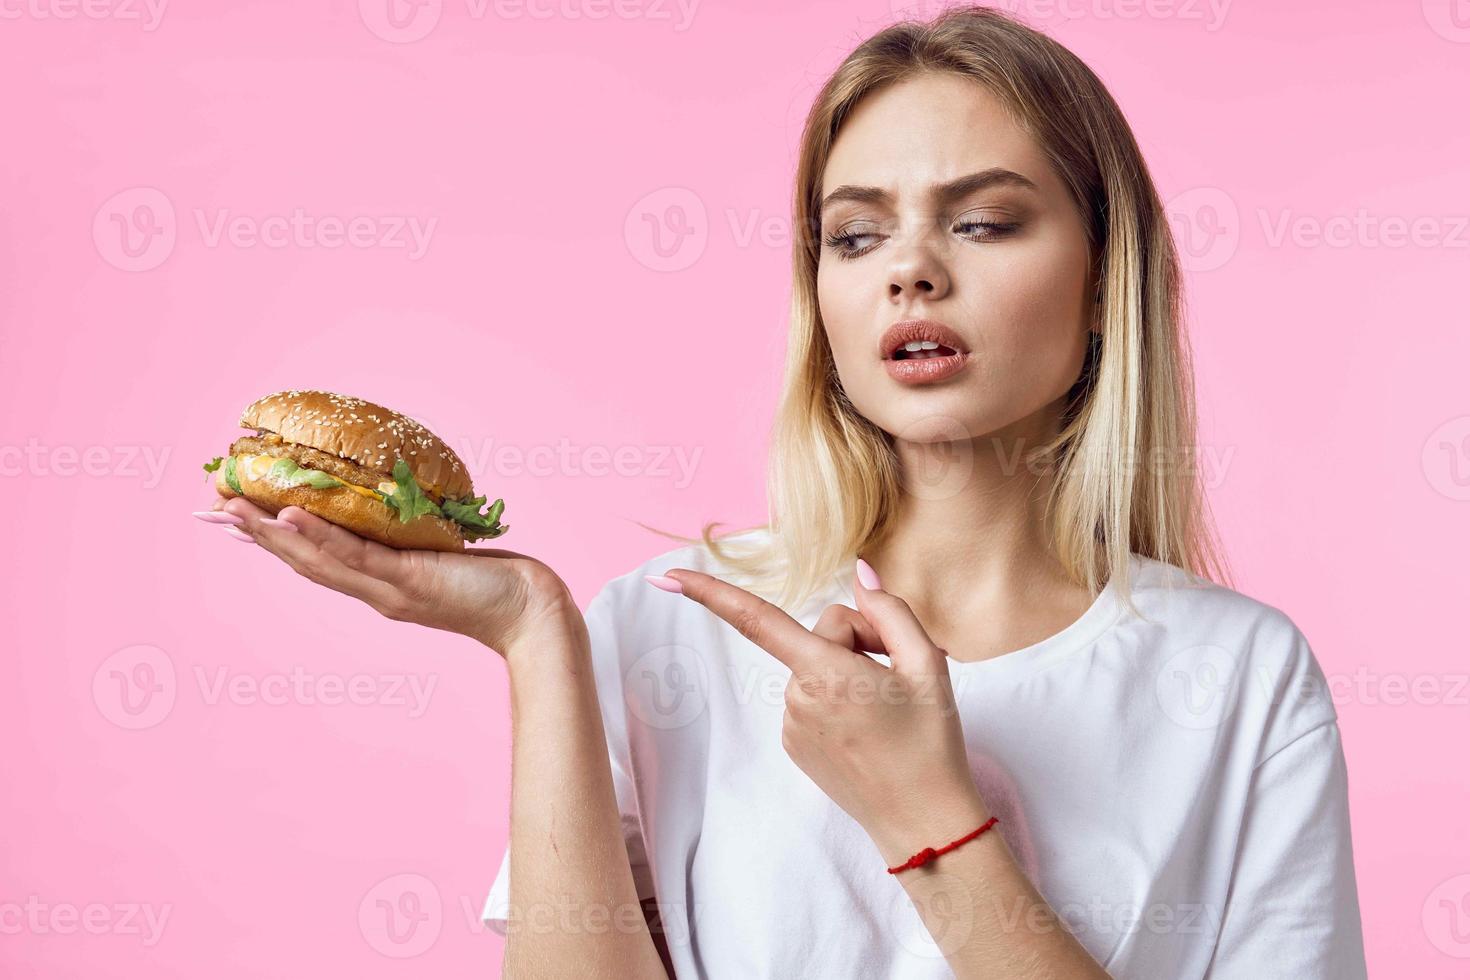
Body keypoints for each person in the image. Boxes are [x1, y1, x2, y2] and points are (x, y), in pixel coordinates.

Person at [200, 6, 1368, 978]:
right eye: (855, 237)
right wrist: (533, 636)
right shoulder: (667, 628)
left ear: (1108, 276)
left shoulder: (1245, 679)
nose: (912, 267)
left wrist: (927, 814)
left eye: (983, 220)